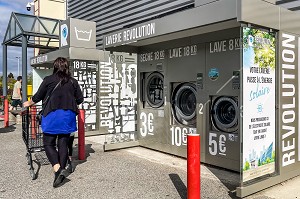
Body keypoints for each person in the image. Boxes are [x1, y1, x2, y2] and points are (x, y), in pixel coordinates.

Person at [23, 57, 84, 188]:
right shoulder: (73, 82)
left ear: (55, 66)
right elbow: (79, 99)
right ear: (67, 67)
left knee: (48, 143)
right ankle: (61, 169)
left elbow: (37, 97)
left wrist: (28, 103)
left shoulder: (48, 80)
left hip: (52, 115)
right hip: (68, 116)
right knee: (63, 143)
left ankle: (57, 169)